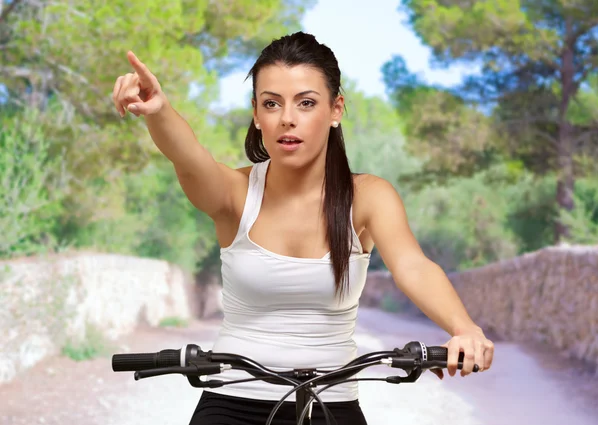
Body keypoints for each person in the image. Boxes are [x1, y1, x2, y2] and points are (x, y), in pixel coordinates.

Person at [112, 31, 495, 425]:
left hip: (333, 405)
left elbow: (413, 265)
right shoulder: (235, 194)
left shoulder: (369, 196)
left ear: (336, 110)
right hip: (232, 402)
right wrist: (157, 110)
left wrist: (463, 328)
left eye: (306, 103)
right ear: (257, 115)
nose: (287, 118)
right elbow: (188, 156)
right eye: (271, 103)